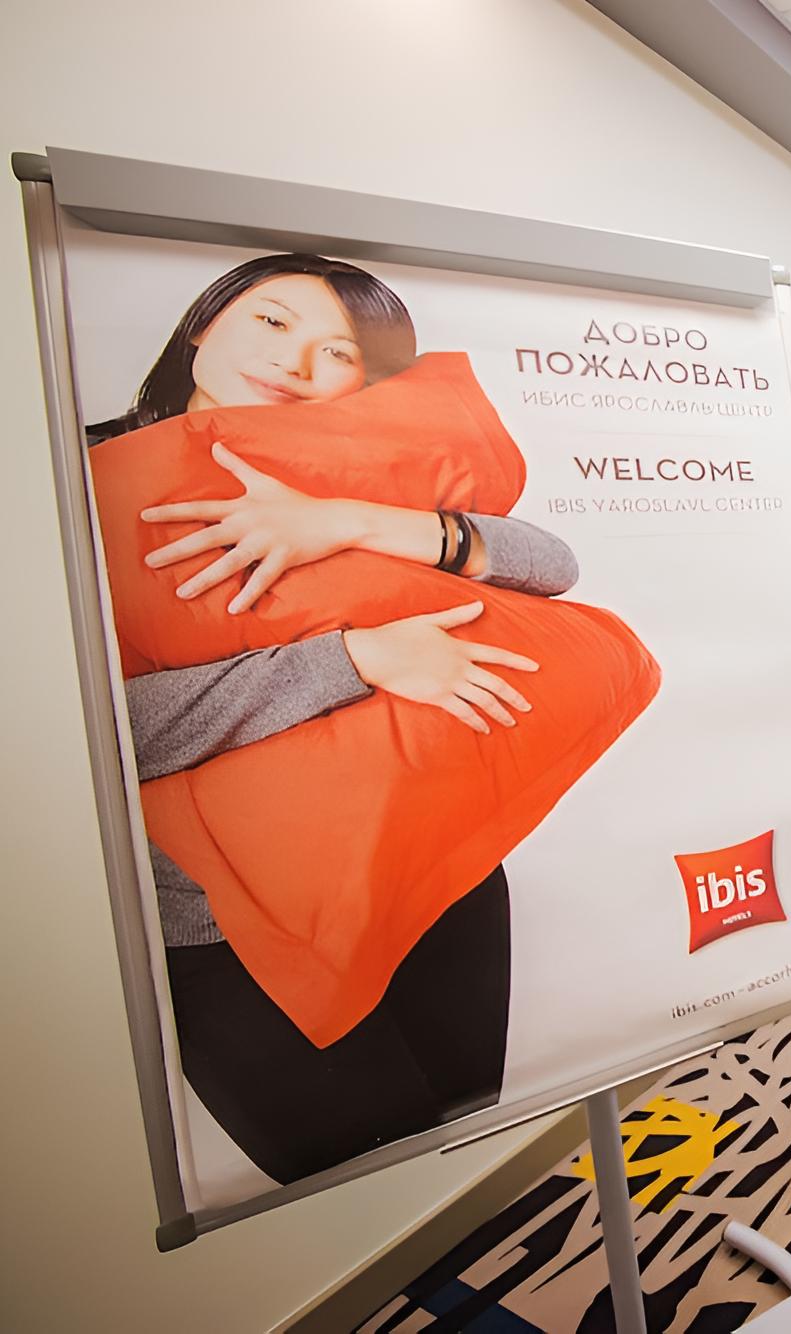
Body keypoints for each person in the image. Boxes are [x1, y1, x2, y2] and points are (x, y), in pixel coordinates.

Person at [90, 254, 569, 1183]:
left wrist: (348, 520)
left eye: (339, 351)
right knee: (360, 1175)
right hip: (227, 917)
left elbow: (550, 564)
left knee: (464, 1136)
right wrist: (353, 660)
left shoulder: (355, 464)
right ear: (205, 321)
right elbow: (86, 730)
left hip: (428, 866)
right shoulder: (69, 479)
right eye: (273, 322)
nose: (295, 363)